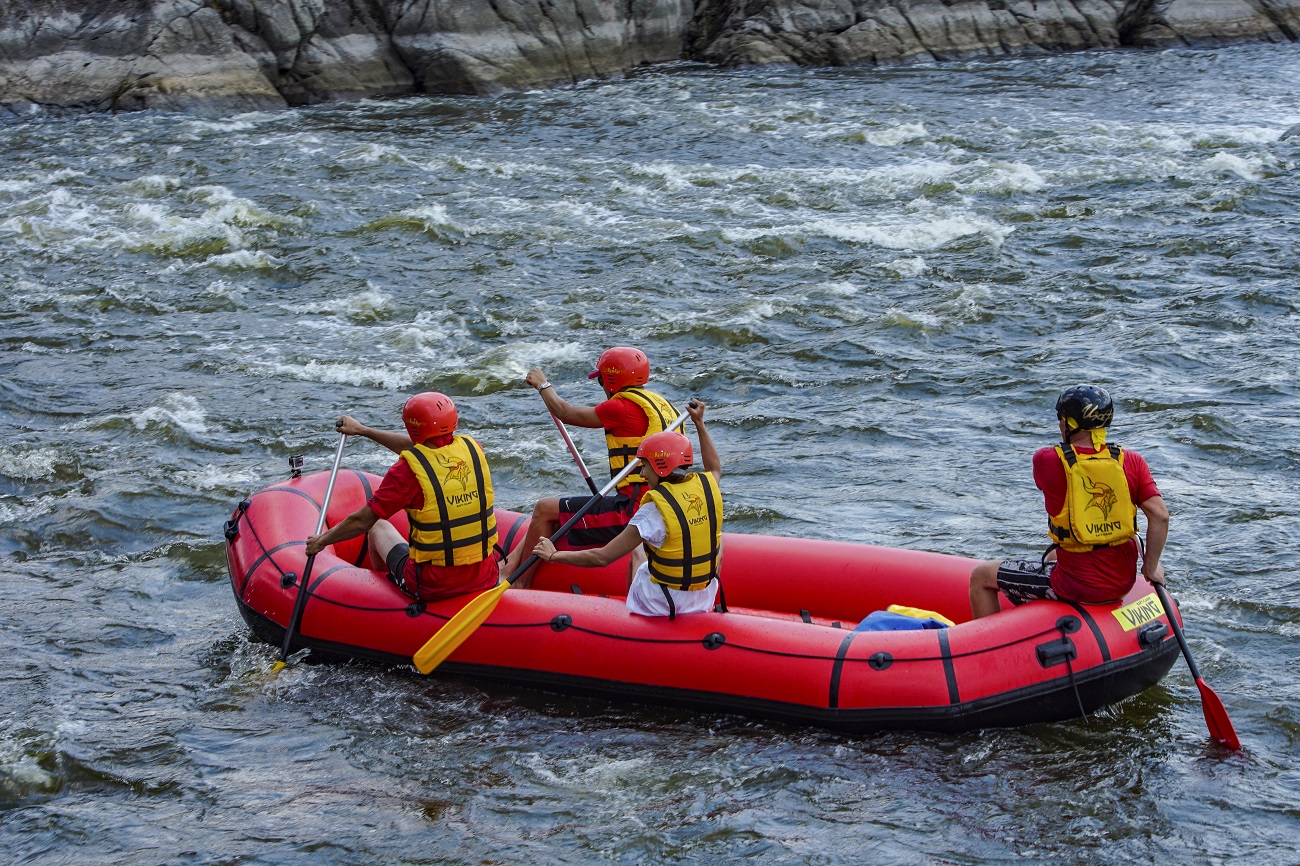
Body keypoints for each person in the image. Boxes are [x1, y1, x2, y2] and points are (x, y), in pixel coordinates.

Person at [969, 384, 1169, 619]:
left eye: (1061, 419)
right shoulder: (1132, 460)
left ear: (1071, 424)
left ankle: (992, 650)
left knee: (981, 575)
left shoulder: (1048, 460)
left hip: (1075, 586)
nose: (1059, 424)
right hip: (1122, 584)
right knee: (1056, 556)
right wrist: (1151, 566)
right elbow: (1160, 515)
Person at [502, 346, 679, 587]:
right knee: (556, 512)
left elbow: (565, 412)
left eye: (602, 382)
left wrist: (543, 385)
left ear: (611, 380)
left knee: (544, 509)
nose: (603, 388)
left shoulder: (621, 407)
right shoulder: (664, 407)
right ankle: (509, 566)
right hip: (664, 503)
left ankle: (519, 585)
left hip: (632, 510)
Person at [532, 400, 722, 618]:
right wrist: (699, 423)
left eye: (644, 466)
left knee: (639, 550)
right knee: (719, 540)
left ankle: (632, 622)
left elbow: (602, 557)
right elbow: (714, 467)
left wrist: (554, 555)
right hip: (704, 597)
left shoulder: (652, 512)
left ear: (660, 467)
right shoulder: (707, 485)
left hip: (663, 604)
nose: (641, 475)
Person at [305, 392, 500, 603]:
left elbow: (362, 521)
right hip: (485, 576)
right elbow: (422, 450)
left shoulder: (406, 473)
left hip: (433, 585)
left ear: (413, 427)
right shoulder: (473, 449)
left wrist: (321, 541)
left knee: (377, 527)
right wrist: (363, 431)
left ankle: (384, 598)